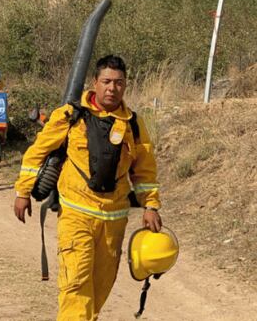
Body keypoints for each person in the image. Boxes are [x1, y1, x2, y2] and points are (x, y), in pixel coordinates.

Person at [13, 55, 162, 321]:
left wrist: (150, 205)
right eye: (106, 81)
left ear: (125, 85)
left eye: (118, 82)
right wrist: (23, 192)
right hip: (76, 216)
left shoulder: (133, 124)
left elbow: (144, 171)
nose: (112, 88)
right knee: (76, 284)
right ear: (95, 83)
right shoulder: (71, 116)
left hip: (113, 223)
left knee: (99, 290)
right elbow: (38, 152)